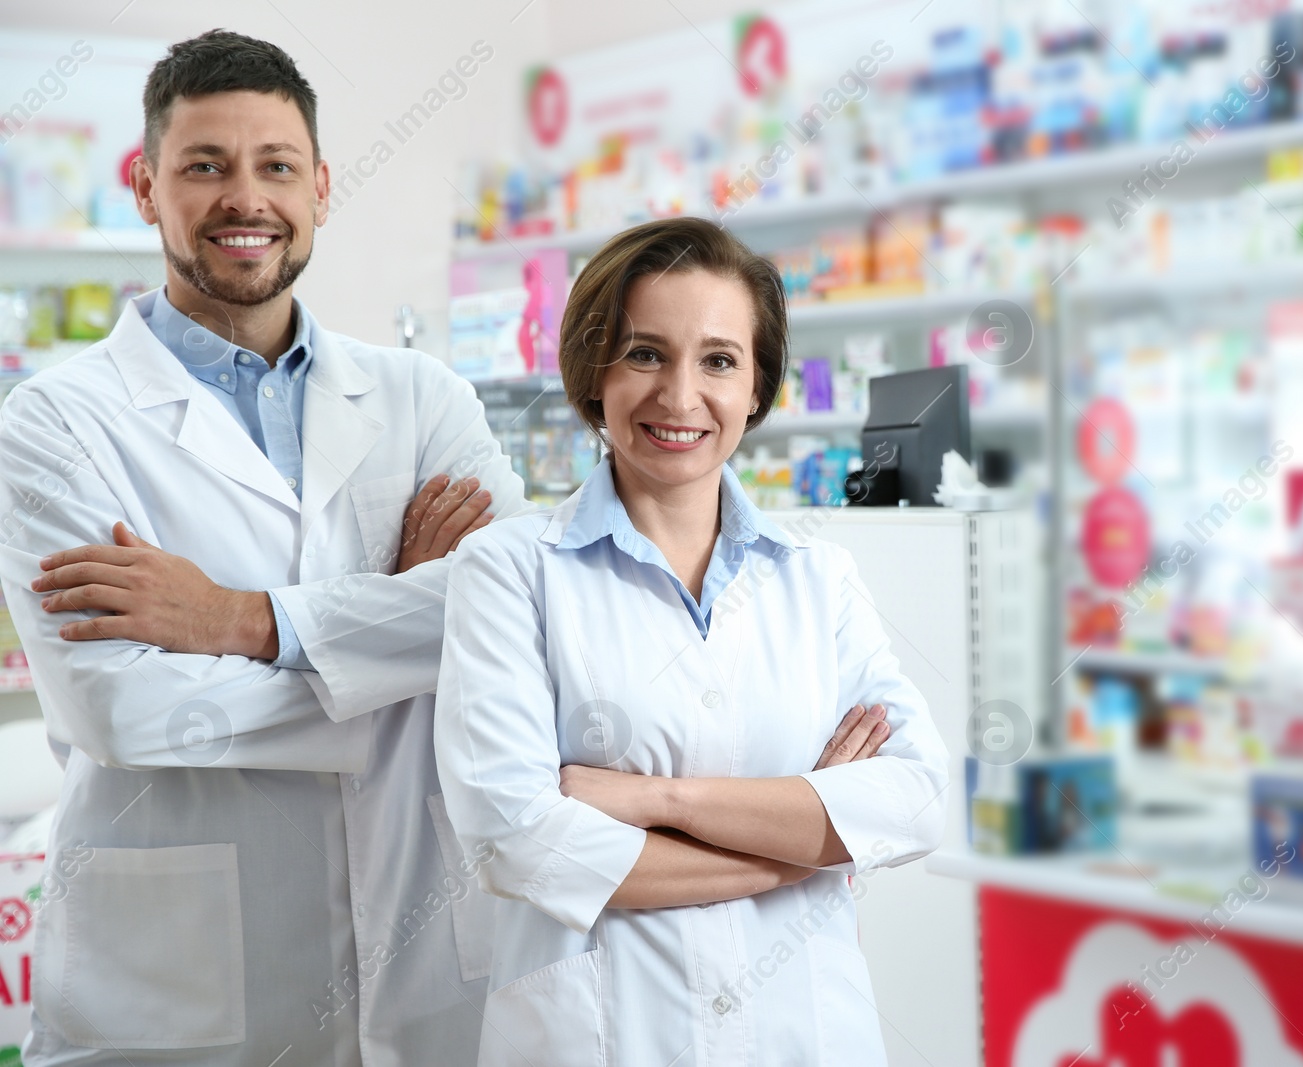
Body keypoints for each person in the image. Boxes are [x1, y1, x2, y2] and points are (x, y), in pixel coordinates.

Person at [0, 31, 530, 1066]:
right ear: (145, 186)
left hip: (423, 962)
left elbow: (519, 614)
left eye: (276, 165)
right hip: (177, 986)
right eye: (204, 166)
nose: (246, 198)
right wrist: (404, 641)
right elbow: (121, 708)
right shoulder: (54, 422)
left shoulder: (423, 398)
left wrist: (241, 621)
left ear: (322, 187)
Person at [433, 217, 950, 1067]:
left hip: (806, 1035)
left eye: (718, 359)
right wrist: (804, 849)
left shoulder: (819, 578)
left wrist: (654, 800)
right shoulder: (509, 571)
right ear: (593, 374)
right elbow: (518, 838)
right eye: (644, 353)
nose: (679, 396)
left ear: (757, 386)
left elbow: (918, 796)